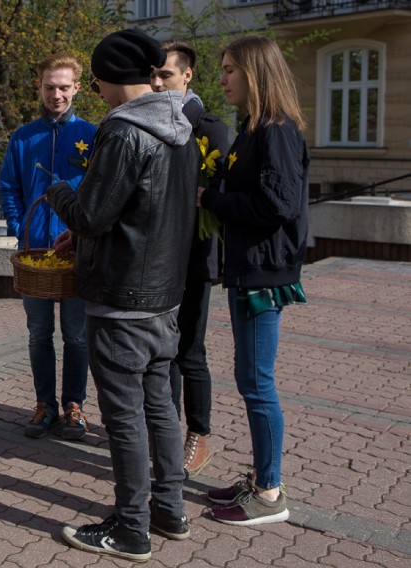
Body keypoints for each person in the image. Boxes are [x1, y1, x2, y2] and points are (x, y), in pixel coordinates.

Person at [47, 29, 199, 561]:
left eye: (95, 81)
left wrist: (59, 191)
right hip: (165, 298)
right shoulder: (180, 124)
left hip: (122, 300)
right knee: (159, 407)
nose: (96, 92)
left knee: (125, 417)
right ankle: (170, 509)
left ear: (110, 78)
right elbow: (145, 212)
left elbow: (91, 213)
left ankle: (132, 529)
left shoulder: (124, 130)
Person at [199, 35, 309, 526]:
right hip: (249, 269)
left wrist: (212, 201)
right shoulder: (253, 128)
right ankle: (263, 476)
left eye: (228, 70)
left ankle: (269, 495)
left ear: (254, 73)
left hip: (265, 273)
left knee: (258, 383)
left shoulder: (277, 131)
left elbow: (277, 205)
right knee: (250, 379)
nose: (221, 78)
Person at [0, 53, 97, 440]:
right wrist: (19, 225)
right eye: (49, 87)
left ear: (76, 88)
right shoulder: (23, 137)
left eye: (63, 87)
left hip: (76, 252)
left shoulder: (91, 134)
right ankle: (44, 405)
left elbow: (98, 192)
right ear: (39, 88)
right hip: (35, 255)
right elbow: (8, 187)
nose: (56, 94)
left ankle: (74, 406)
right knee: (39, 334)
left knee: (76, 335)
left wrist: (85, 234)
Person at [151, 40, 231, 477]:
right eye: (154, 75)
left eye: (167, 75)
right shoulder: (151, 120)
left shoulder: (209, 128)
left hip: (195, 259)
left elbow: (218, 193)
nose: (159, 82)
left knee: (189, 351)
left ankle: (199, 434)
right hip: (159, 258)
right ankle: (167, 429)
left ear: (187, 77)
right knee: (161, 350)